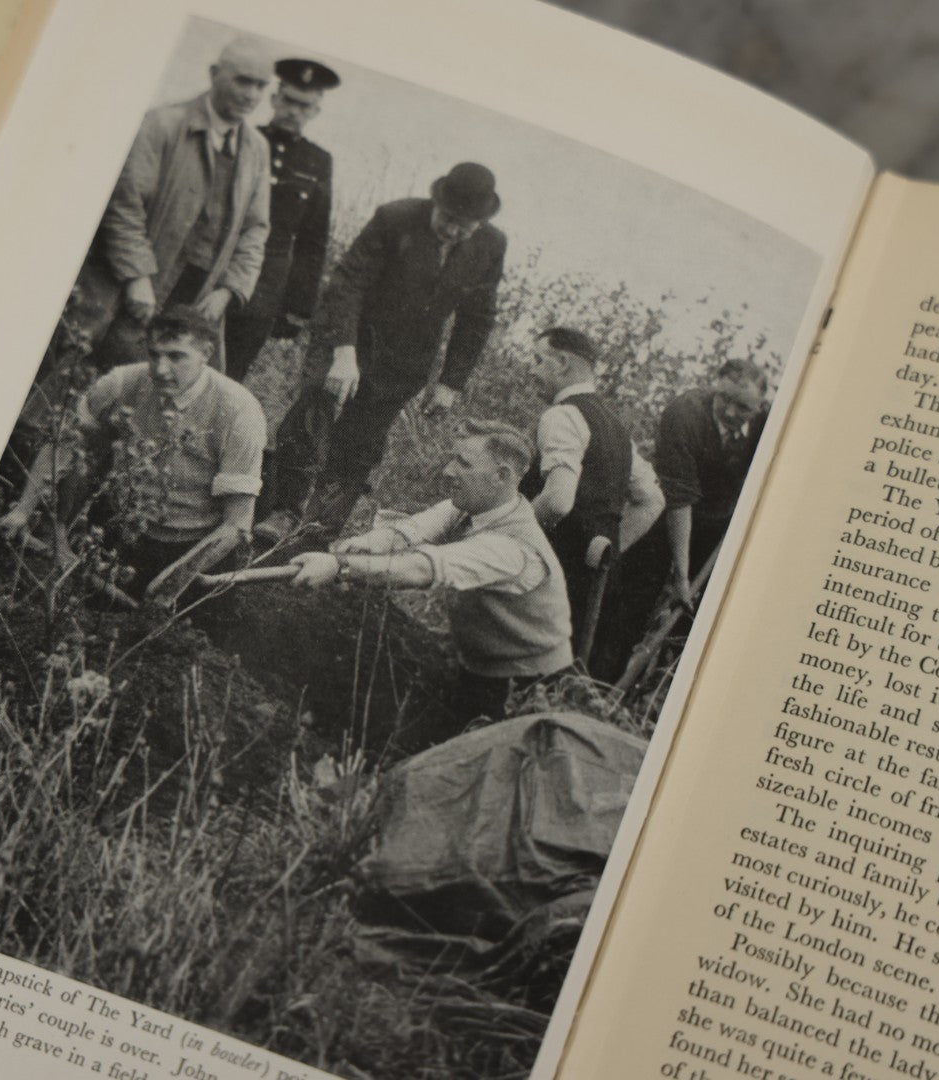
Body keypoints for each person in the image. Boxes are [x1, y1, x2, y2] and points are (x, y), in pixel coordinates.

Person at [255, 162, 507, 545]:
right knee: (314, 407)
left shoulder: (491, 245)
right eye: (449, 218)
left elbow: (477, 317)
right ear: (436, 202)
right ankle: (283, 509)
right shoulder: (396, 218)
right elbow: (348, 284)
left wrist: (450, 383)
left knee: (362, 441)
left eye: (466, 225)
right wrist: (343, 352)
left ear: (481, 222)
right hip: (350, 336)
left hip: (405, 358)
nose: (454, 231)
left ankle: (318, 528)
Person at [288, 419, 571, 729]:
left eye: (463, 463)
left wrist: (339, 566)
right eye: (452, 458)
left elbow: (421, 568)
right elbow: (414, 529)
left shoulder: (512, 548)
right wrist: (365, 545)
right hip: (478, 663)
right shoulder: (474, 506)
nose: (448, 471)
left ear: (500, 477)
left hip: (529, 687)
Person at [0, 306, 266, 600]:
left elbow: (237, 525)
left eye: (176, 356)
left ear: (206, 353)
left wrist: (174, 582)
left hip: (190, 544)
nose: (161, 370)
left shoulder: (239, 410)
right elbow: (64, 442)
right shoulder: (123, 382)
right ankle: (59, 532)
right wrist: (23, 509)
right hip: (119, 527)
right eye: (153, 355)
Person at [73, 37, 275, 372]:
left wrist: (229, 289)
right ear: (214, 74)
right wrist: (137, 275)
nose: (251, 95)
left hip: (195, 294)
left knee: (152, 383)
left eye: (261, 85)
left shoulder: (256, 150)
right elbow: (124, 207)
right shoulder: (162, 125)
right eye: (242, 80)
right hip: (126, 284)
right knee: (83, 365)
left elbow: (255, 230)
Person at [605, 357, 769, 670]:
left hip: (718, 524)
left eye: (744, 408)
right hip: (666, 513)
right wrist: (681, 575)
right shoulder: (685, 414)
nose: (731, 413)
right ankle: (604, 674)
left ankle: (659, 681)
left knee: (694, 611)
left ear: (759, 407)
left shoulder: (769, 423)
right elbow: (679, 499)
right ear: (715, 386)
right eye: (725, 399)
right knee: (634, 598)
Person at [521, 327, 665, 680]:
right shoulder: (614, 426)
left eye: (538, 360)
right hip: (593, 581)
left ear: (563, 363)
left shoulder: (561, 416)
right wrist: (608, 552)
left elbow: (556, 501)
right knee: (559, 677)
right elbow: (652, 499)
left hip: (550, 573)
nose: (532, 370)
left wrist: (509, 530)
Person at [222, 58, 338, 385]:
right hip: (217, 271)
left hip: (264, 291)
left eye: (305, 106)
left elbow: (312, 241)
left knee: (231, 377)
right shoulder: (241, 138)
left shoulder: (318, 162)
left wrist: (297, 308)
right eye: (288, 101)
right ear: (274, 99)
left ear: (315, 112)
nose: (294, 111)